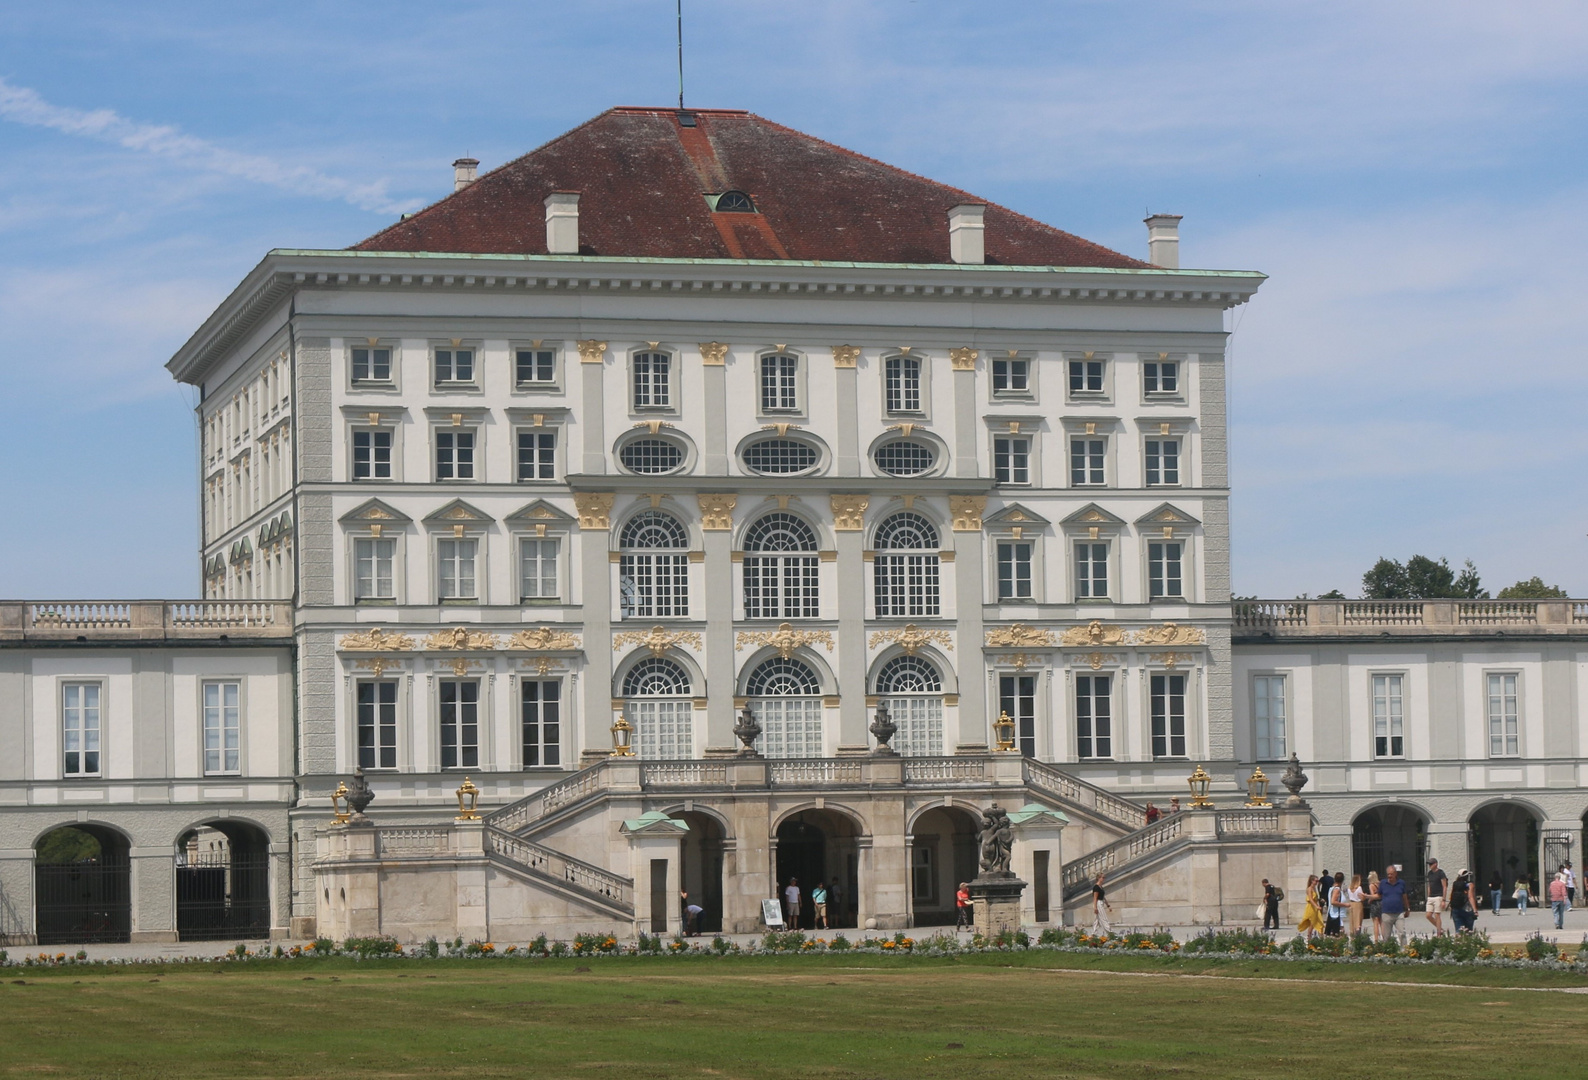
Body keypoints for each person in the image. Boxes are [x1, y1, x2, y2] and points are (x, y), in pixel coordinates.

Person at [1379, 864, 1410, 943]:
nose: (1389, 876)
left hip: (1399, 913)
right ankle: (1387, 951)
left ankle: (1404, 950)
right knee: (1386, 935)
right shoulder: (1383, 883)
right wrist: (1368, 896)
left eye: (1391, 874)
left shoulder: (1401, 883)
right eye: (1388, 874)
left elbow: (1404, 897)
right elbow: (1378, 895)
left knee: (1402, 933)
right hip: (1386, 913)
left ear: (1395, 874)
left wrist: (1407, 908)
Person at [1296, 874, 1325, 940]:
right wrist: (1316, 906)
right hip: (1311, 908)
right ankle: (1309, 939)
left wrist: (1320, 900)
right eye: (1316, 881)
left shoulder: (1314, 888)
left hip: (1315, 907)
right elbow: (1311, 899)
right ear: (1312, 881)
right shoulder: (1309, 889)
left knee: (1320, 923)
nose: (1317, 882)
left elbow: (1315, 898)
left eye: (1318, 881)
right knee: (1312, 924)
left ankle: (1321, 939)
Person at [1425, 858, 1448, 935]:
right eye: (1429, 864)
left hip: (1438, 896)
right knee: (1428, 915)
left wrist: (1444, 899)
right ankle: (1440, 929)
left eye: (1431, 864)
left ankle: (1439, 933)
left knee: (1437, 914)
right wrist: (1428, 896)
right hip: (1431, 897)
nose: (1430, 866)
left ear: (1435, 864)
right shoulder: (1429, 873)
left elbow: (1444, 886)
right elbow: (1429, 885)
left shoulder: (1441, 873)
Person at [1448, 869, 1476, 933]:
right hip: (1467, 909)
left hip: (1455, 908)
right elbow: (1470, 897)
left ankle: (1458, 942)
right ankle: (1468, 942)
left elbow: (1451, 895)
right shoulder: (1469, 884)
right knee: (1469, 930)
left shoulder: (1455, 884)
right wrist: (1475, 910)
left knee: (1459, 930)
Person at [1325, 871, 1347, 936]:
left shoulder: (1332, 888)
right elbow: (1333, 902)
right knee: (1340, 935)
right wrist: (1345, 905)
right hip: (1336, 915)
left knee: (1335, 935)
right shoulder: (1336, 890)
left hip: (1334, 914)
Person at [1365, 870, 1383, 942]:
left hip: (1375, 904)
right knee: (1381, 922)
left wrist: (1368, 900)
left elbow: (1373, 896)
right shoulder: (1380, 884)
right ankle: (1385, 937)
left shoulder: (1371, 885)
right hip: (1382, 903)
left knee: (1375, 923)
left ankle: (1376, 939)